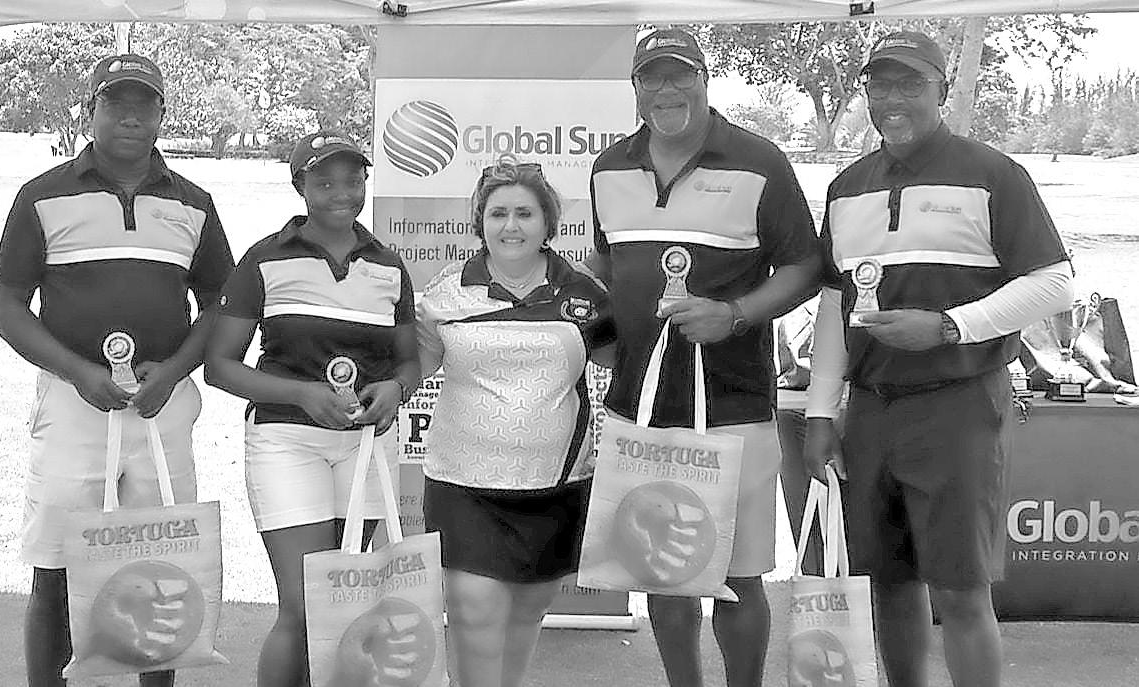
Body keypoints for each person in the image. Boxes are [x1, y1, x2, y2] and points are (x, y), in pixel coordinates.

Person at [803, 31, 1074, 687]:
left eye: (911, 84)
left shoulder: (993, 174)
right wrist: (819, 413)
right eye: (880, 84)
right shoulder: (846, 187)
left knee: (959, 590)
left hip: (958, 405)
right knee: (887, 583)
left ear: (943, 91)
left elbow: (1054, 283)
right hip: (872, 410)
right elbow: (836, 307)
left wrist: (951, 327)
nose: (893, 100)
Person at [0, 54, 235, 687]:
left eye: (143, 104)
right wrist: (78, 372)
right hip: (72, 405)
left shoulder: (194, 203)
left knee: (162, 565)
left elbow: (221, 304)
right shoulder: (42, 195)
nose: (130, 117)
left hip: (163, 407)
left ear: (161, 114)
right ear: (91, 110)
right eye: (116, 103)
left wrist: (174, 371)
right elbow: (6, 308)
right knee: (55, 569)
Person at [587, 28, 822, 687]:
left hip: (734, 402)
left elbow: (805, 266)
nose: (667, 90)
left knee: (739, 579)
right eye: (652, 77)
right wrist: (604, 330)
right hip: (640, 407)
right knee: (664, 575)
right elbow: (605, 263)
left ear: (704, 79)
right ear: (635, 89)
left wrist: (735, 313)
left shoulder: (760, 161)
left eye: (680, 74)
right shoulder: (608, 168)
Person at [203, 131, 420, 687]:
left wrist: (397, 389)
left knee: (342, 605)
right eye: (324, 182)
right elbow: (220, 367)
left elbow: (408, 363)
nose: (341, 193)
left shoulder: (389, 266)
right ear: (300, 185)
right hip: (287, 443)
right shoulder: (265, 259)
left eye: (353, 180)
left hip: (365, 447)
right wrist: (302, 395)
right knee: (303, 605)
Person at [415, 160, 614, 687]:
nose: (511, 226)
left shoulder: (584, 293)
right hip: (463, 484)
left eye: (525, 214)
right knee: (474, 608)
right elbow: (412, 370)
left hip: (554, 485)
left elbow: (626, 363)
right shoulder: (446, 293)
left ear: (548, 223)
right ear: (480, 222)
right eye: (498, 213)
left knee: (527, 611)